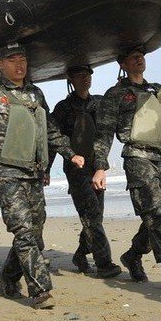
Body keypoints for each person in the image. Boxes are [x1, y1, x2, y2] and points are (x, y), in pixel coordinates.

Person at [0, 42, 85, 309]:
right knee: (24, 231)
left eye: (23, 60)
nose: (20, 65)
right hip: (7, 172)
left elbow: (49, 129)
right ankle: (40, 289)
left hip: (34, 172)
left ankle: (6, 278)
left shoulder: (36, 94)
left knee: (35, 234)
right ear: (2, 65)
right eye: (13, 60)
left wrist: (69, 153)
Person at [93, 46, 161, 293]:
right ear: (123, 63)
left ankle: (133, 254)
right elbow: (104, 133)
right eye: (133, 55)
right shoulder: (115, 95)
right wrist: (100, 167)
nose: (139, 58)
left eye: (141, 55)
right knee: (156, 212)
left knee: (157, 214)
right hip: (136, 157)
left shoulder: (157, 90)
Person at [50, 65, 121, 278]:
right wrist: (47, 168)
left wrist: (101, 166)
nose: (85, 79)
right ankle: (104, 263)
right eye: (80, 75)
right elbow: (52, 138)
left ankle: (81, 254)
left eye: (88, 75)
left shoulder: (99, 103)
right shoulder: (63, 108)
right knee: (91, 213)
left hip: (97, 166)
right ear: (70, 79)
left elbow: (107, 130)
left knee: (95, 215)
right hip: (75, 168)